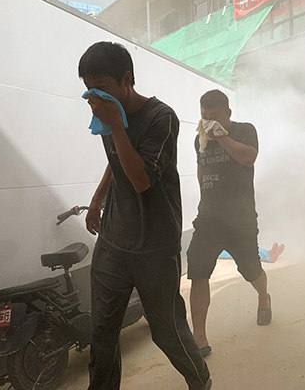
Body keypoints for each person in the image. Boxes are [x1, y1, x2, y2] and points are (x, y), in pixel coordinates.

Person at [78, 41, 211, 390]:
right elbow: (116, 160)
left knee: (166, 330)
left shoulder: (160, 118)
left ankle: (200, 380)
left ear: (126, 79)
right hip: (114, 241)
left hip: (155, 245)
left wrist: (116, 126)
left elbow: (140, 179)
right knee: (102, 333)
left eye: (101, 89)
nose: (94, 99)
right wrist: (97, 199)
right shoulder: (108, 114)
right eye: (88, 91)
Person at [187, 89, 271, 358]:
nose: (208, 122)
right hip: (209, 219)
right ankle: (199, 337)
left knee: (251, 270)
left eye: (213, 116)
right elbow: (201, 168)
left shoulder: (244, 130)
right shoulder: (199, 139)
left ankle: (263, 296)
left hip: (240, 219)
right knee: (198, 271)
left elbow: (248, 158)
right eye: (204, 116)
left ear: (228, 113)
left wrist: (221, 137)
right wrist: (205, 196)